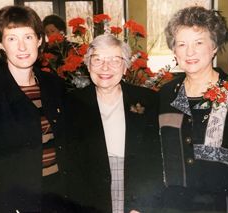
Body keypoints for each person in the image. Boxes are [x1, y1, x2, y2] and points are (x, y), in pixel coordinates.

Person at [0, 5, 80, 212]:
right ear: (0, 44)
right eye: (12, 38)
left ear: (40, 40)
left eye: (28, 37)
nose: (22, 47)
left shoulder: (54, 85)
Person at [160, 6, 228, 213]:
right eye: (181, 44)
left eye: (199, 42)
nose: (190, 52)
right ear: (174, 50)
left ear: (214, 47)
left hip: (226, 206)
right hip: (176, 206)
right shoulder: (166, 94)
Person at [68, 34, 163, 213]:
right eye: (97, 60)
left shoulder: (147, 100)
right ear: (88, 65)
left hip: (135, 193)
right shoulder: (72, 103)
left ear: (125, 66)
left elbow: (154, 159)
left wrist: (141, 205)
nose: (105, 67)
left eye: (115, 60)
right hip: (90, 198)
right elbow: (72, 167)